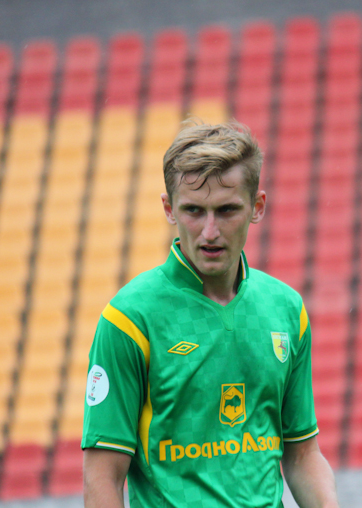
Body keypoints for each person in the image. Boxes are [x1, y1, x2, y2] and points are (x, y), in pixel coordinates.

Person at [81, 121, 339, 508]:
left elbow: (302, 456)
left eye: (227, 210)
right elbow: (103, 476)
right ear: (169, 209)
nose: (210, 231)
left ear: (257, 207)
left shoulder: (286, 309)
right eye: (194, 211)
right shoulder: (130, 319)